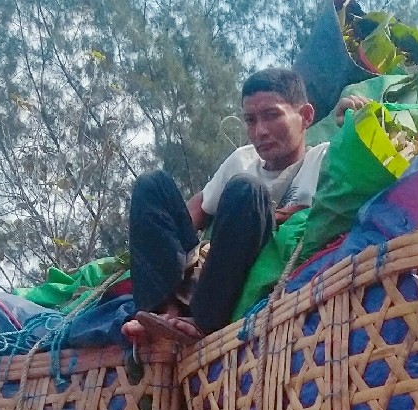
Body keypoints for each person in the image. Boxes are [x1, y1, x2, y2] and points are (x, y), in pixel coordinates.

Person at [125, 67, 327, 344]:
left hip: (255, 266)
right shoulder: (241, 159)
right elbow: (194, 212)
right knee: (151, 184)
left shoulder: (323, 158)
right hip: (213, 261)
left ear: (305, 116)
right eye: (250, 120)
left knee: (246, 190)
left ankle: (203, 321)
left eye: (272, 115)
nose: (260, 131)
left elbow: (327, 211)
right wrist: (154, 240)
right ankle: (161, 310)